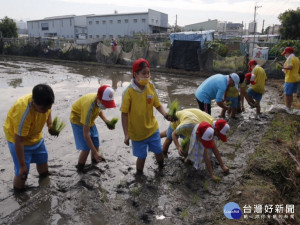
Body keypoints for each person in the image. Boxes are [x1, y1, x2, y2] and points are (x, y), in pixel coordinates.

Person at [121, 58, 173, 173]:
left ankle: (161, 170)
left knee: (158, 151)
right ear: (135, 74)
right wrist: (126, 134)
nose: (147, 75)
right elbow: (124, 114)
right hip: (137, 133)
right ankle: (139, 177)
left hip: (152, 129)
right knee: (142, 156)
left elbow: (157, 104)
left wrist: (166, 115)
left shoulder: (151, 86)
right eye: (143, 73)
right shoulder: (128, 92)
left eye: (148, 72)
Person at [3, 84, 55, 191]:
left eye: (49, 107)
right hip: (18, 140)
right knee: (22, 174)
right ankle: (19, 195)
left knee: (43, 164)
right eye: (43, 108)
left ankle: (44, 187)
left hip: (36, 137)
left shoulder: (44, 103)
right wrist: (22, 165)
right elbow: (19, 140)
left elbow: (48, 111)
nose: (46, 110)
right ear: (34, 102)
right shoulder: (23, 112)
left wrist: (50, 124)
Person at [70, 85, 116, 172]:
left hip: (89, 121)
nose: (105, 106)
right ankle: (80, 169)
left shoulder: (98, 101)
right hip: (78, 121)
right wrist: (94, 152)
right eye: (105, 104)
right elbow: (86, 134)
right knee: (86, 148)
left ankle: (94, 163)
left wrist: (106, 121)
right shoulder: (89, 108)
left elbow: (99, 110)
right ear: (98, 99)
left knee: (96, 143)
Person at [280, 47, 300, 113]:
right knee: (290, 94)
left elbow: (290, 67)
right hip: (296, 78)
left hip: (290, 79)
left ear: (288, 53)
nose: (285, 55)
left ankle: (287, 107)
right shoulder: (297, 59)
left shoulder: (290, 58)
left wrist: (283, 67)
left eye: (285, 53)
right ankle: (289, 107)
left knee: (286, 94)